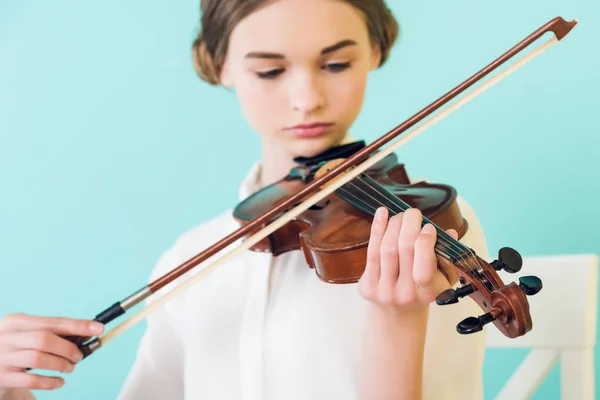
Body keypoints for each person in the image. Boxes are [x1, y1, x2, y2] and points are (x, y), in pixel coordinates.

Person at [0, 0, 491, 399]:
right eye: (270, 71)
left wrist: (397, 319)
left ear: (377, 50)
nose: (306, 99)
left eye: (336, 63)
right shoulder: (192, 256)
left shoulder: (424, 224)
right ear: (219, 67)